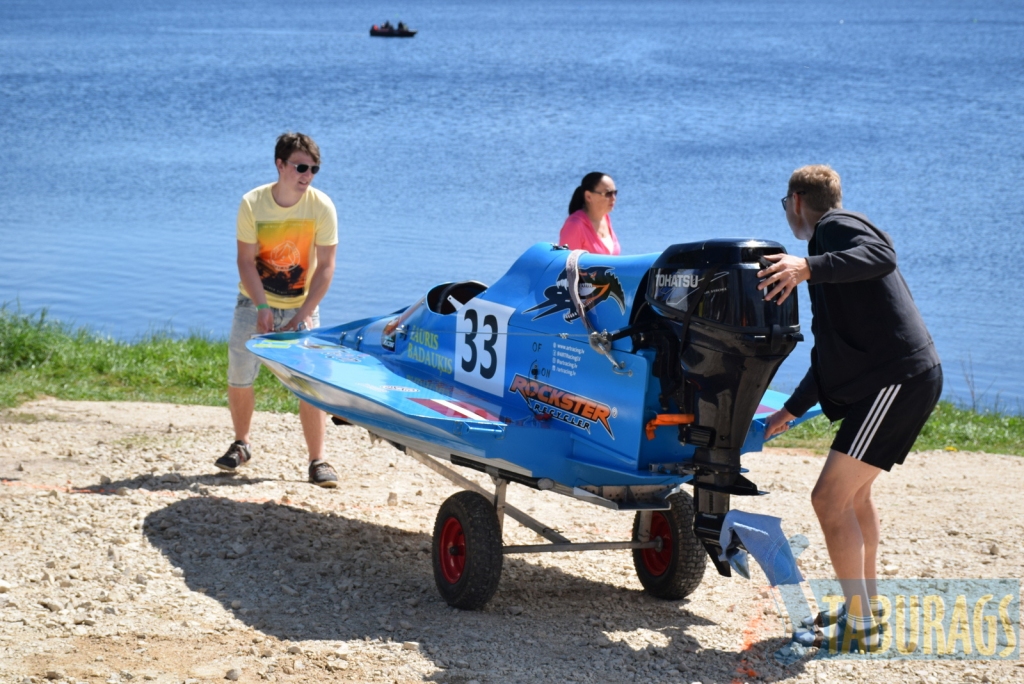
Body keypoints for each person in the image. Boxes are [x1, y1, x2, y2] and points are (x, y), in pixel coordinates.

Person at [759, 165, 942, 652]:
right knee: (855, 499)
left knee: (828, 500)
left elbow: (881, 255)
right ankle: (865, 610)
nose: (788, 215)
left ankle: (860, 628)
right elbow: (832, 348)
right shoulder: (827, 248)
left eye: (785, 205)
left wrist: (806, 267)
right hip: (900, 378)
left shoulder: (834, 229)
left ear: (797, 201)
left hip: (896, 380)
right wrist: (792, 410)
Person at [218, 132, 340, 488]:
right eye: (301, 167)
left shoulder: (321, 206)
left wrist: (304, 314)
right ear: (280, 165)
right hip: (253, 301)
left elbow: (328, 267)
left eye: (314, 169)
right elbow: (244, 261)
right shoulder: (253, 203)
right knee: (239, 374)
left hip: (303, 307)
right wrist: (261, 306)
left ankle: (318, 461)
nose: (308, 176)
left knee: (311, 386)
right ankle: (241, 444)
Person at [558, 172, 621, 255]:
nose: (613, 198)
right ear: (588, 196)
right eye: (608, 194)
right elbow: (564, 263)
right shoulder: (574, 225)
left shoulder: (605, 218)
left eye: (614, 193)